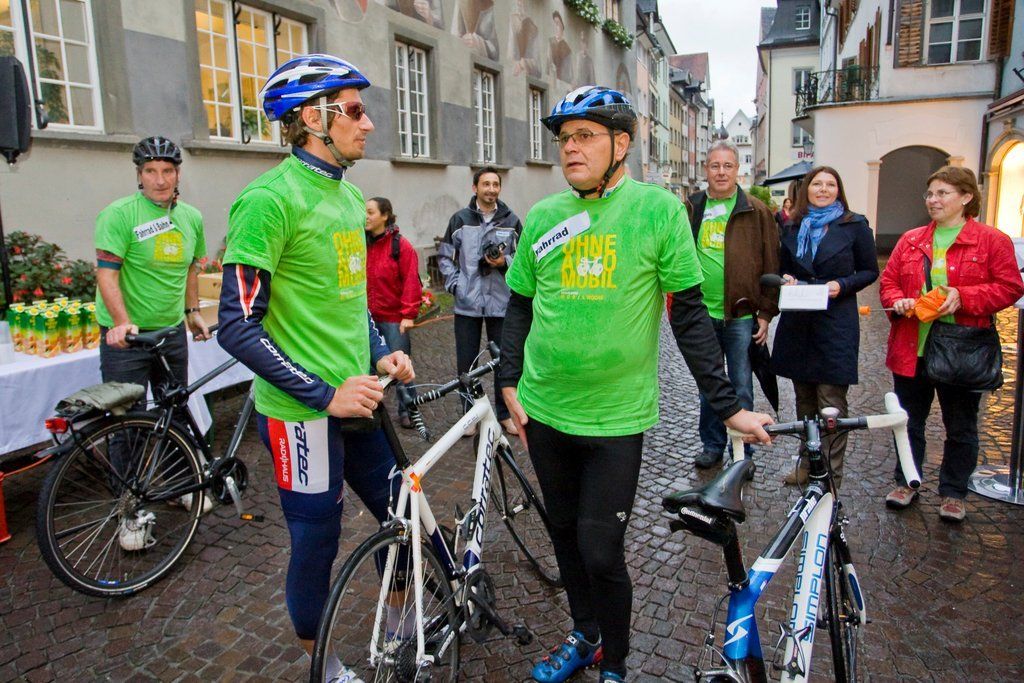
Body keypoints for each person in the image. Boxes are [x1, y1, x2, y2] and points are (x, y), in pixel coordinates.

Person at [497, 86, 772, 683]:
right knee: (564, 539)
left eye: (585, 136)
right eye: (564, 138)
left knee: (600, 550)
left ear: (621, 143)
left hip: (615, 418)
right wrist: (508, 381)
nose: (571, 148)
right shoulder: (544, 215)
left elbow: (690, 316)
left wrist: (728, 408)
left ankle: (616, 664)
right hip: (544, 410)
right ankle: (586, 637)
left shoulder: (657, 211)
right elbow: (519, 304)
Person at [217, 54, 414, 679]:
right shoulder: (268, 201)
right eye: (354, 110)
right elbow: (236, 326)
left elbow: (350, 301)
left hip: (361, 399)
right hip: (302, 415)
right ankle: (323, 668)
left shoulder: (350, 196)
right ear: (312, 118)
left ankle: (399, 627)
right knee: (317, 541)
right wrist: (324, 394)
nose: (368, 123)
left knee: (403, 517)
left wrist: (378, 350)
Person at [880, 166, 1023, 522]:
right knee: (908, 422)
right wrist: (898, 300)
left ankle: (954, 492)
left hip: (962, 349)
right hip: (912, 347)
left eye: (942, 193)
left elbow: (1010, 287)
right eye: (930, 194)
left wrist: (965, 296)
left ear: (966, 196)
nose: (933, 200)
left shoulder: (991, 240)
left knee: (960, 426)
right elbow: (889, 282)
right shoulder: (911, 239)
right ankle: (907, 481)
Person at [771, 166, 878, 487]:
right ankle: (807, 464)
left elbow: (869, 271)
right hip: (800, 322)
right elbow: (784, 268)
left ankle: (829, 478)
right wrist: (787, 279)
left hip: (836, 324)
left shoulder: (854, 225)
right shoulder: (793, 226)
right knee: (804, 402)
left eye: (830, 184)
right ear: (806, 189)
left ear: (838, 190)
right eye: (817, 184)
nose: (823, 189)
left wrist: (842, 284)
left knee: (831, 405)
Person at [685, 139, 779, 471]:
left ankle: (743, 452)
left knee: (741, 384)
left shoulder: (756, 210)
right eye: (715, 165)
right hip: (702, 313)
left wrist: (765, 313)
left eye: (728, 165)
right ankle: (712, 445)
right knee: (709, 384)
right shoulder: (692, 206)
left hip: (740, 314)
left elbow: (771, 263)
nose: (721, 172)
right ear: (706, 169)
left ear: (738, 169)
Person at [95, 136, 211, 389]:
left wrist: (192, 312)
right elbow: (107, 275)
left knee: (175, 407)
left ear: (178, 175)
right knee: (129, 411)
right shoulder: (119, 214)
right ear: (139, 175)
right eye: (150, 171)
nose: (160, 180)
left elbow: (191, 268)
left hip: (171, 332)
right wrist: (121, 323)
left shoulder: (192, 217)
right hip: (129, 336)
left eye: (167, 171)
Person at [438, 166, 522, 435]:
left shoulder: (511, 220)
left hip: (501, 302)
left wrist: (504, 262)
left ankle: (505, 413)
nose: (491, 189)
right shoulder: (460, 219)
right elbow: (445, 257)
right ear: (475, 188)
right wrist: (456, 285)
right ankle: (469, 415)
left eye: (496, 184)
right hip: (468, 303)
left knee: (504, 361)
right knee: (467, 362)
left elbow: (523, 259)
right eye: (486, 184)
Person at [365, 196, 421, 428]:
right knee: (369, 367)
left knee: (400, 367)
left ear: (385, 215)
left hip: (393, 319)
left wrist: (408, 314)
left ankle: (409, 410)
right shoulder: (362, 243)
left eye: (370, 212)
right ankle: (368, 409)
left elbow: (411, 280)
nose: (365, 217)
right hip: (367, 317)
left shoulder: (400, 246)